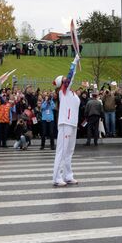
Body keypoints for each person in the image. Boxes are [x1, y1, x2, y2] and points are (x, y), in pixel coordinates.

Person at [52, 56, 80, 187]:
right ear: (62, 84)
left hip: (73, 123)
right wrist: (74, 62)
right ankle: (57, 177)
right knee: (62, 151)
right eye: (64, 80)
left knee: (69, 152)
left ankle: (68, 176)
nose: (67, 80)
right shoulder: (63, 92)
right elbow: (71, 76)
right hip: (65, 123)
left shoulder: (71, 93)